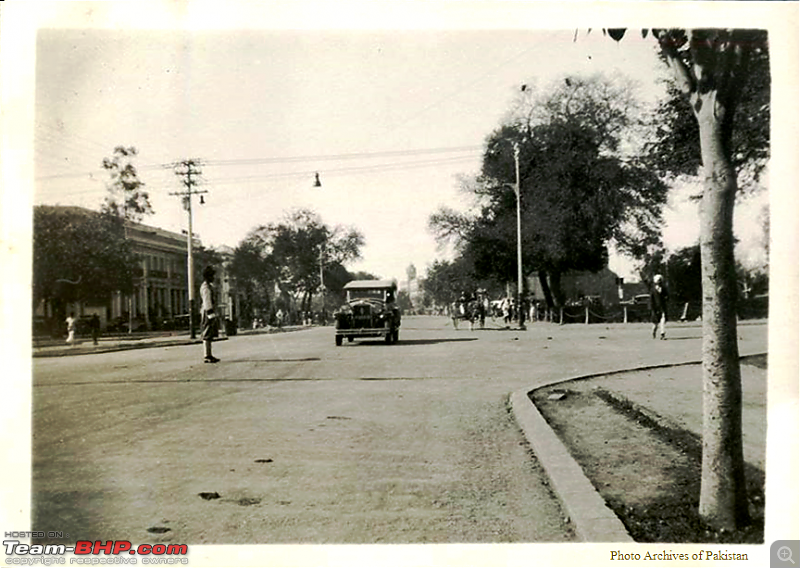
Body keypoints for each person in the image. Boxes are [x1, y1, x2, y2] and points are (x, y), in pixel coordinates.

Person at [200, 265, 220, 363]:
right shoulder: (206, 287)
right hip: (207, 311)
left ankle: (209, 354)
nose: (214, 278)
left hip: (208, 311)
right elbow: (207, 301)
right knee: (207, 332)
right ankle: (207, 355)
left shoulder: (208, 286)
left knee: (210, 333)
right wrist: (211, 314)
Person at [650, 274, 669, 340]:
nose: (660, 282)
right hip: (655, 308)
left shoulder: (664, 289)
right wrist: (653, 308)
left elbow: (667, 296)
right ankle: (653, 332)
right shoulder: (653, 290)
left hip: (662, 307)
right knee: (655, 324)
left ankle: (662, 334)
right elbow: (651, 300)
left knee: (663, 321)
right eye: (658, 280)